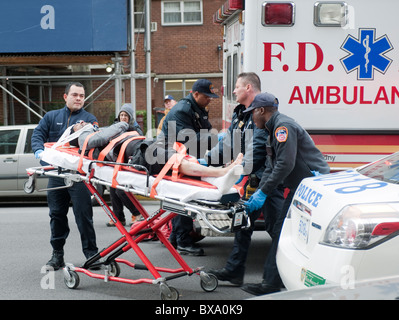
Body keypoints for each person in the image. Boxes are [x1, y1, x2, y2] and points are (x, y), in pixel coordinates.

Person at [240, 92, 330, 295]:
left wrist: (263, 193)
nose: (252, 118)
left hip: (311, 184)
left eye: (252, 112)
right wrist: (258, 192)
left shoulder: (283, 128)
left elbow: (285, 165)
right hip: (303, 185)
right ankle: (272, 281)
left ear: (261, 110)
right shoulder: (274, 129)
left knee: (284, 230)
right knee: (284, 230)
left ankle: (272, 283)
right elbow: (272, 166)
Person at [203, 73, 285, 286]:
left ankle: (273, 281)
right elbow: (228, 145)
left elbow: (257, 150)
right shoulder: (241, 115)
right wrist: (206, 160)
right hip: (253, 181)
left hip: (268, 181)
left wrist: (233, 171)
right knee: (243, 224)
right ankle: (234, 271)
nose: (233, 91)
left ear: (248, 87)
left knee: (278, 231)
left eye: (237, 86)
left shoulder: (262, 114)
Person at [31, 82, 99, 271]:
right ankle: (57, 256)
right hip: (56, 174)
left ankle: (92, 254)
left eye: (82, 95)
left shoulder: (90, 119)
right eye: (75, 95)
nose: (79, 98)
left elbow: (93, 142)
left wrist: (81, 132)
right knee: (57, 215)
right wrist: (39, 152)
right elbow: (37, 136)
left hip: (78, 176)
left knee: (84, 216)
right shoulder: (51, 117)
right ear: (65, 96)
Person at [159, 78, 219, 256]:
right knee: (184, 198)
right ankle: (183, 241)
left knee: (183, 199)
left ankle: (177, 238)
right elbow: (189, 139)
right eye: (207, 96)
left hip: (185, 157)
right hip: (175, 159)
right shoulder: (183, 110)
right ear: (196, 94)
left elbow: (205, 130)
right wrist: (217, 140)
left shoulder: (197, 108)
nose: (210, 99)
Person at [107, 103, 144, 227]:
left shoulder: (135, 129)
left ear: (130, 117)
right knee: (112, 189)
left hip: (127, 163)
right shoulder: (114, 127)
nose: (123, 117)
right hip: (115, 162)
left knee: (120, 190)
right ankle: (118, 217)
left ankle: (137, 214)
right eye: (121, 115)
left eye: (125, 115)